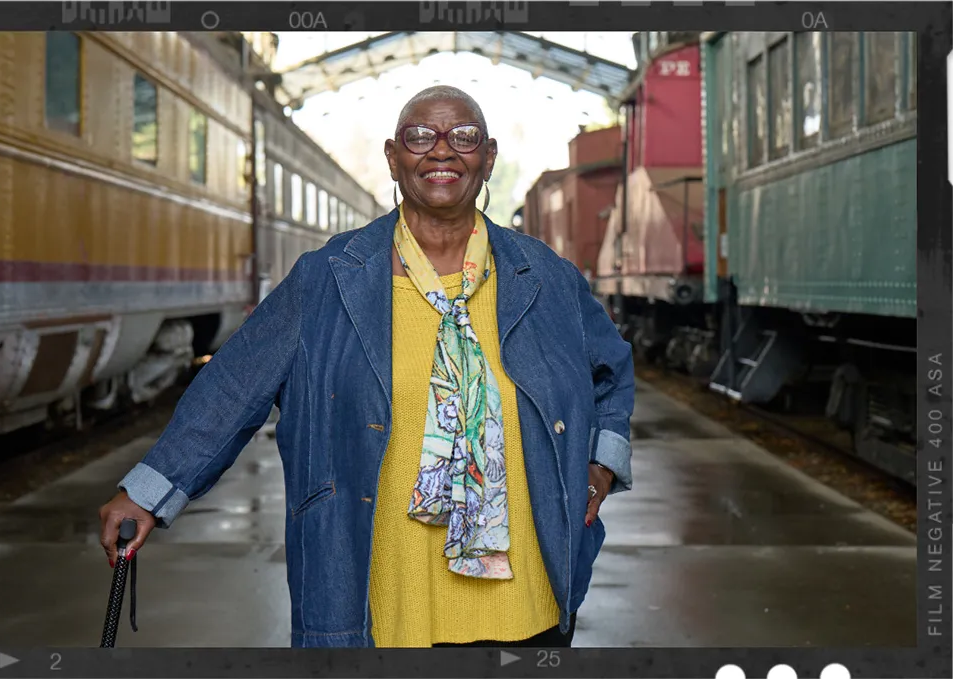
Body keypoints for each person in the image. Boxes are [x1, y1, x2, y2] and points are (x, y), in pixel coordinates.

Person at [99, 85, 635, 648]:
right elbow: (231, 387)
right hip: (376, 593)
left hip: (525, 594)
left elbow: (611, 374)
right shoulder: (327, 278)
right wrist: (148, 493)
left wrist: (599, 467)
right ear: (393, 157)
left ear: (489, 157)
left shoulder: (546, 279)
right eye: (420, 136)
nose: (442, 151)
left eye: (464, 137)